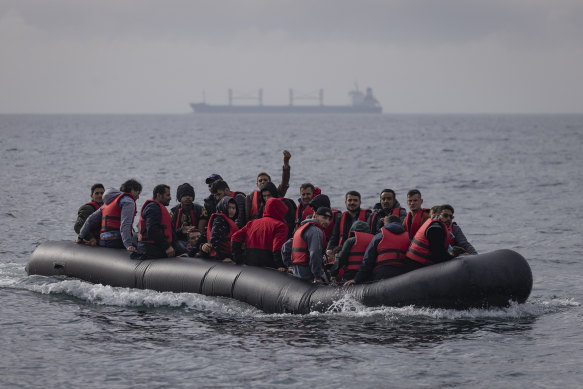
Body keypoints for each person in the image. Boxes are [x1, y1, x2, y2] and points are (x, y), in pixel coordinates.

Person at [77, 179, 142, 251]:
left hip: (103, 241)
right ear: (132, 190)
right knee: (141, 248)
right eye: (138, 193)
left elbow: (91, 219)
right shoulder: (128, 201)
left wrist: (80, 237)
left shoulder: (108, 202)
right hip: (116, 241)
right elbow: (125, 224)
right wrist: (128, 245)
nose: (138, 197)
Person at [345, 215, 411, 285]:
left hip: (382, 274)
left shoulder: (379, 236)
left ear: (386, 224)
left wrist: (356, 279)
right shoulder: (408, 238)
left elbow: (368, 260)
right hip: (401, 275)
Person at [231, 198, 288, 270]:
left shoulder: (252, 223)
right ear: (281, 210)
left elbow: (235, 237)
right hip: (269, 265)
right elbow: (277, 247)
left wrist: (238, 258)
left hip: (250, 261)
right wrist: (280, 265)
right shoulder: (281, 226)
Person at [282, 207, 333, 283]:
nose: (327, 221)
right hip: (307, 275)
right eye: (324, 218)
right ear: (315, 216)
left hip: (296, 272)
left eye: (329, 219)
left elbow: (285, 247)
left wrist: (289, 265)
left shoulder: (301, 228)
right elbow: (315, 254)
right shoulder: (316, 231)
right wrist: (317, 276)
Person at [134, 184, 185, 259]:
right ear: (158, 195)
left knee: (186, 251)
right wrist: (167, 247)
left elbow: (166, 232)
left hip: (157, 246)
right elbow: (152, 230)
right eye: (168, 195)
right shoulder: (153, 208)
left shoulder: (157, 208)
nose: (170, 198)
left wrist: (180, 231)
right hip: (150, 249)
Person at [245, 150, 291, 220]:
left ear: (270, 182)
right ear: (257, 184)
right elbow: (246, 217)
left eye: (265, 180)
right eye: (260, 181)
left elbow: (284, 183)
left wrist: (286, 164)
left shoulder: (276, 193)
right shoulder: (250, 197)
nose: (263, 182)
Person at [201, 197, 240, 262]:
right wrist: (223, 257)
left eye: (233, 208)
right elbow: (214, 239)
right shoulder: (219, 220)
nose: (231, 210)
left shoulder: (231, 221)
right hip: (219, 257)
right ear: (223, 207)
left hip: (229, 255)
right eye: (228, 207)